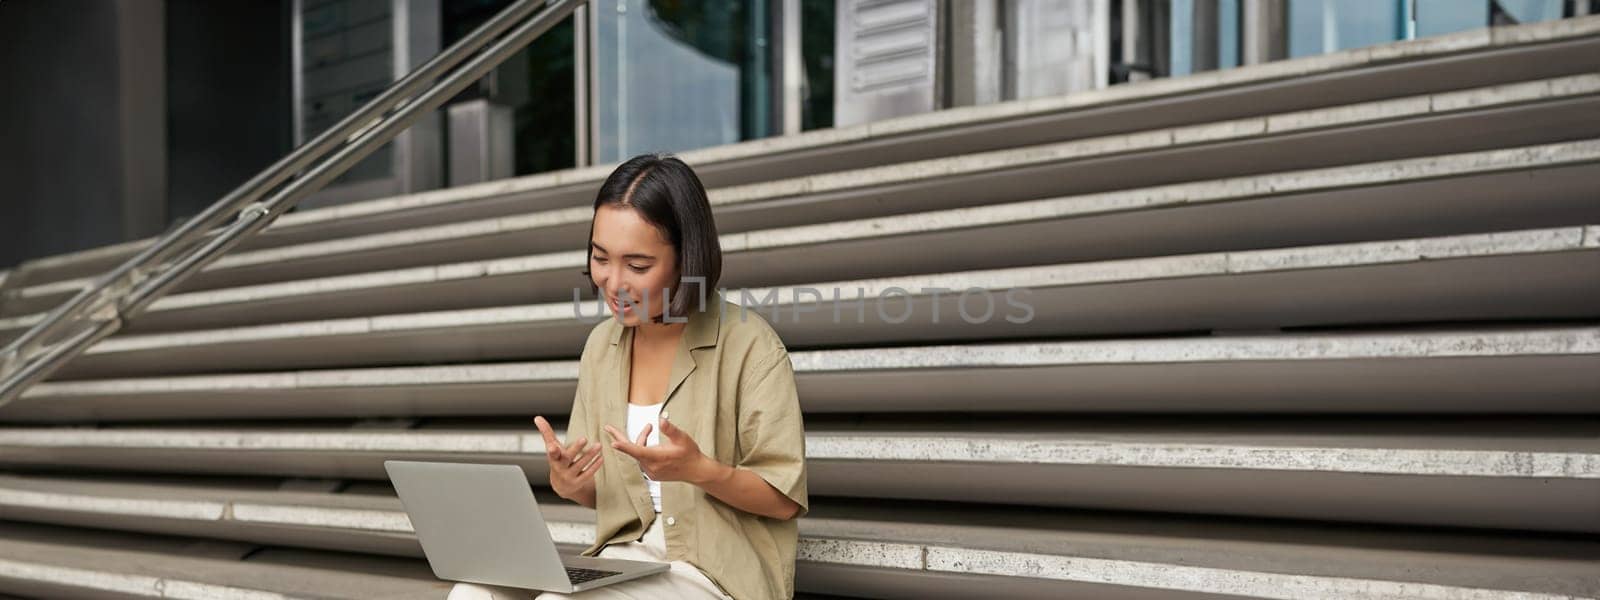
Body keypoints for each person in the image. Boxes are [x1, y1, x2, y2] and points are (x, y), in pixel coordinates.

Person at [448, 154, 808, 600]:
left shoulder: (750, 346)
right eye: (601, 258)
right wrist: (572, 484)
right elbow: (612, 495)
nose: (612, 282)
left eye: (637, 267)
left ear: (685, 259)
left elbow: (784, 497)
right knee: (473, 592)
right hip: (623, 560)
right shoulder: (602, 346)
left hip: (713, 573)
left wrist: (699, 470)